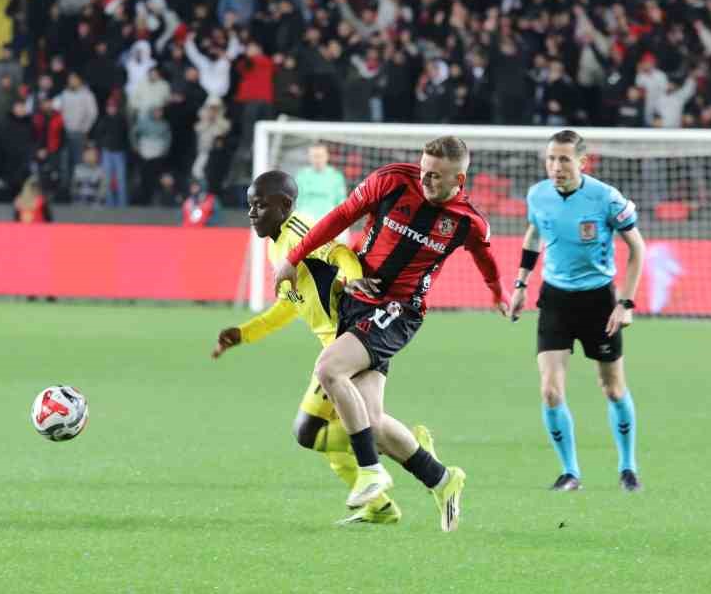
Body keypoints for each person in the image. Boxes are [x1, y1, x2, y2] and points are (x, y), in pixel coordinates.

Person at [273, 136, 507, 529]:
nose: (425, 179)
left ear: (459, 179)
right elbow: (341, 215)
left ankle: (370, 471)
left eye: (436, 176)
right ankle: (442, 479)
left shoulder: (468, 221)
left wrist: (498, 292)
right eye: (424, 169)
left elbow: (485, 257)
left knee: (329, 369)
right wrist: (293, 259)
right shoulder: (392, 181)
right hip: (357, 302)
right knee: (372, 420)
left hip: (400, 310)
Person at [213, 170, 445, 527]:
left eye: (259, 205)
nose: (251, 213)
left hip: (350, 340)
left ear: (284, 205)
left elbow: (339, 252)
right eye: (250, 205)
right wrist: (244, 333)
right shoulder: (276, 246)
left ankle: (408, 444)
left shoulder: (298, 231)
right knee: (329, 441)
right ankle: (379, 506)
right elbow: (290, 305)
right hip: (337, 343)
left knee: (308, 431)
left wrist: (353, 279)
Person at [508, 131, 647, 492]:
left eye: (564, 159)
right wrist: (521, 284)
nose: (556, 166)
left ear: (582, 162)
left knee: (613, 388)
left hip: (599, 301)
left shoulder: (606, 198)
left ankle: (628, 468)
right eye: (551, 159)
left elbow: (637, 248)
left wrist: (625, 303)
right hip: (555, 300)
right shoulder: (538, 195)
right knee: (550, 391)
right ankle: (570, 472)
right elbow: (534, 233)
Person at [294, 142, 348, 219]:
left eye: (320, 156)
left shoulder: (336, 176)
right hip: (305, 218)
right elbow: (296, 201)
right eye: (315, 156)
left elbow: (341, 202)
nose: (318, 159)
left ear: (327, 156)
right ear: (309, 157)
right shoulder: (301, 176)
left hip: (329, 218)